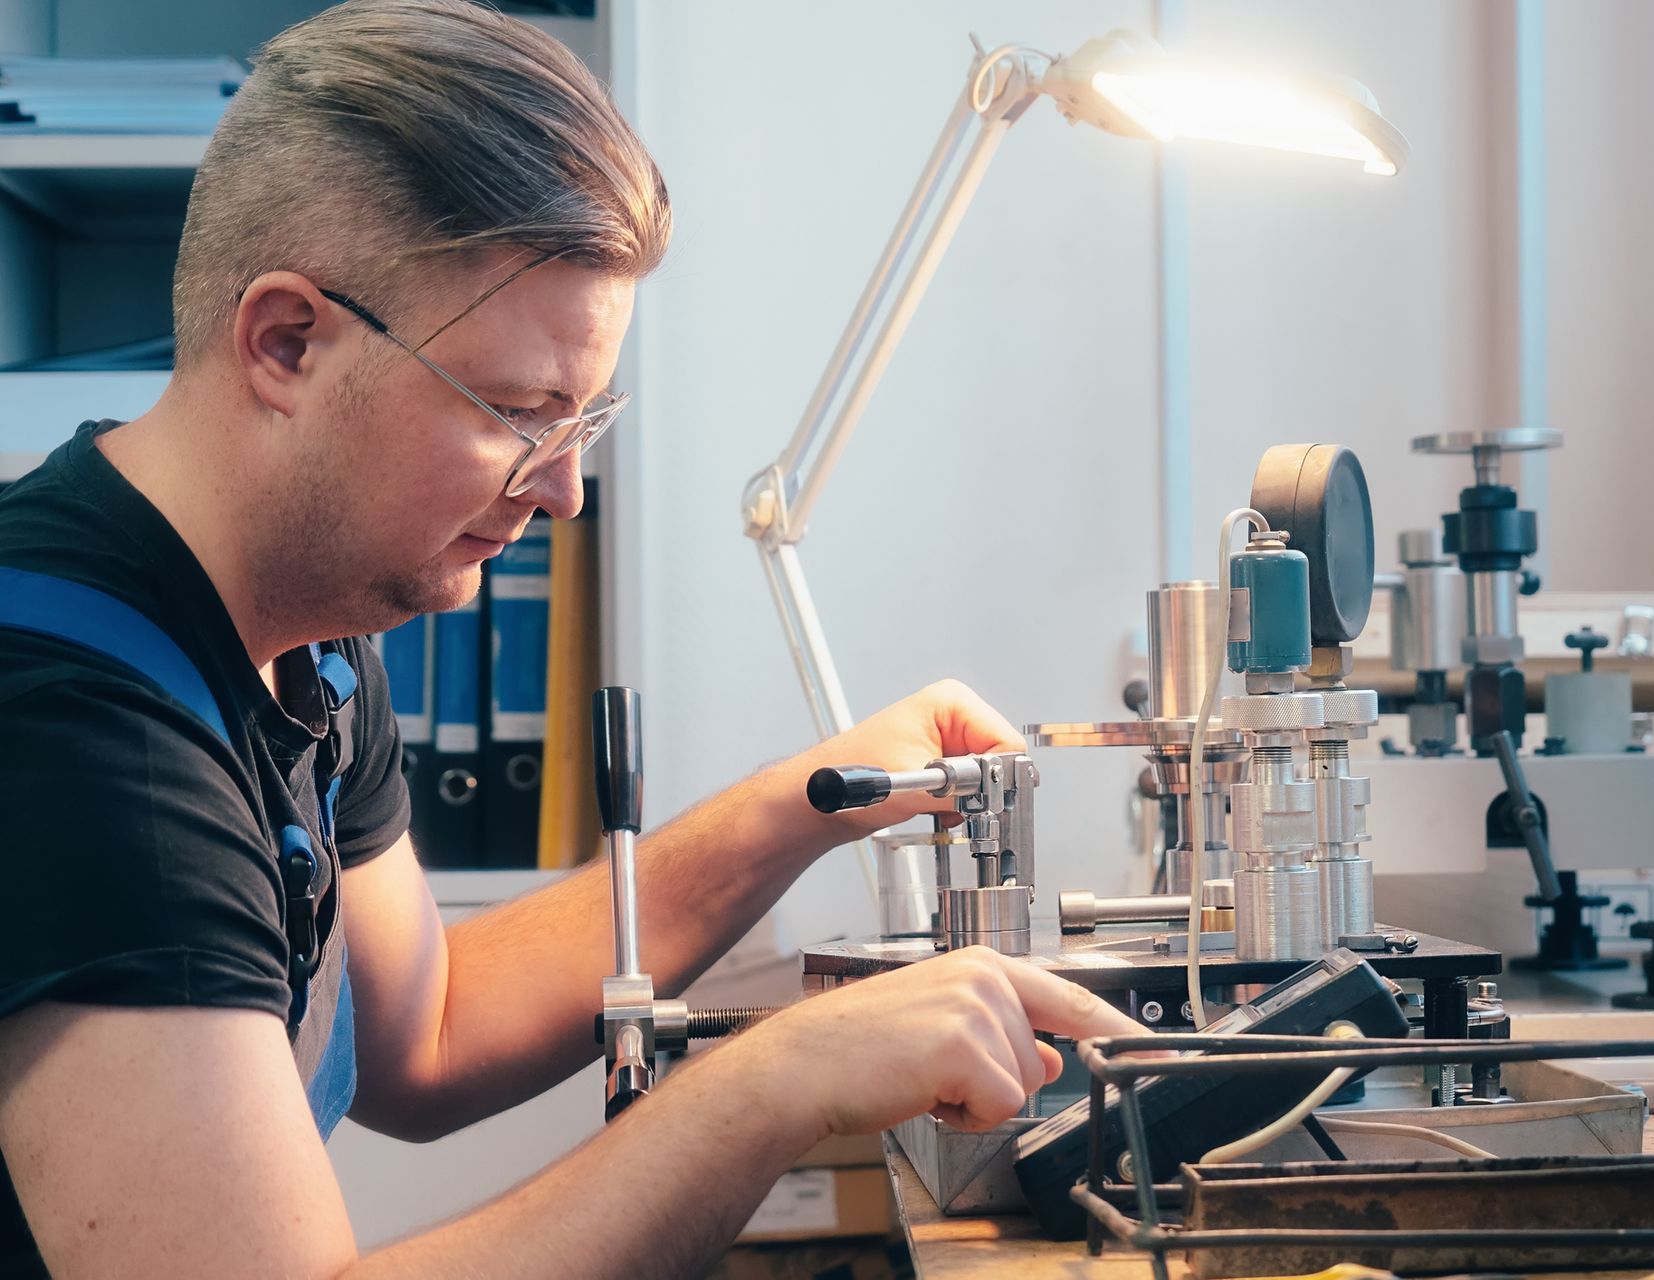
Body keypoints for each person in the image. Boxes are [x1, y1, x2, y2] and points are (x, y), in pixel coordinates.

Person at [0, 3, 1144, 1275]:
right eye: (522, 411)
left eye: (587, 417)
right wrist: (780, 1077)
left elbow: (422, 1030)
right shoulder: (84, 740)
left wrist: (810, 801)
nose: (562, 492)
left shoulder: (299, 626)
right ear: (287, 341)